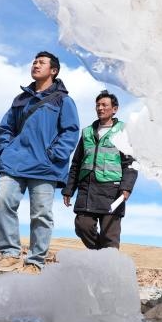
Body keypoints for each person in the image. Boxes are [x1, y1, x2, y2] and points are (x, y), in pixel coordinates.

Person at [0, 51, 80, 274]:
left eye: (41, 63)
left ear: (53, 70)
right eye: (34, 62)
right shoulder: (21, 99)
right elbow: (7, 127)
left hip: (45, 166)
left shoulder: (63, 101)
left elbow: (70, 131)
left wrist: (55, 154)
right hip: (15, 161)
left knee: (41, 214)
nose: (36, 65)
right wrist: (6, 148)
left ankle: (35, 262)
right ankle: (9, 253)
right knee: (3, 200)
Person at [62, 90, 137, 249]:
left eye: (104, 105)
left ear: (114, 109)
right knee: (83, 225)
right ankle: (100, 256)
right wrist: (69, 190)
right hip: (87, 190)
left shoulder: (124, 131)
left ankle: (109, 268)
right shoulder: (87, 132)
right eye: (98, 105)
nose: (100, 108)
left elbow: (131, 163)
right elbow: (76, 163)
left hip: (113, 191)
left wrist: (126, 187)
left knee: (110, 237)